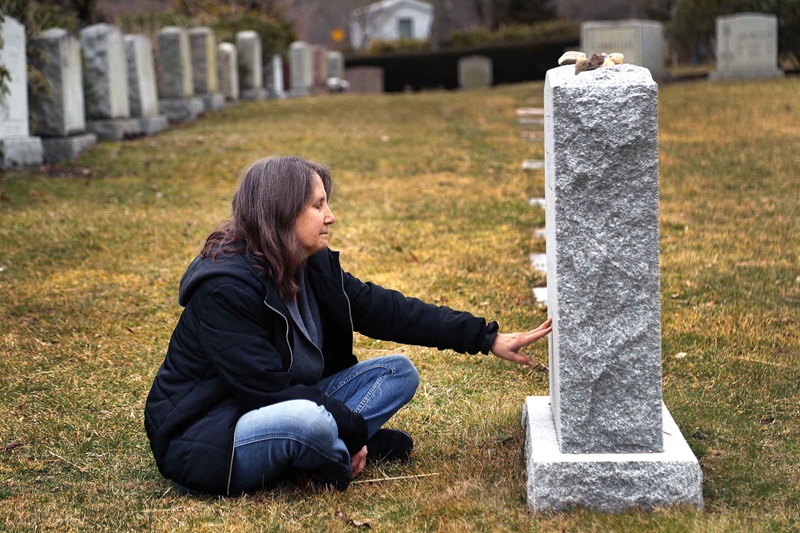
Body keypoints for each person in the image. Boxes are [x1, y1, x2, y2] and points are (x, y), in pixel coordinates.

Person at [144, 156, 552, 496]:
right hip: (214, 433)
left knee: (398, 372)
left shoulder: (310, 264)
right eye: (318, 205)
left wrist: (485, 337)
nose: (330, 217)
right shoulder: (225, 289)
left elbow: (386, 310)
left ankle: (318, 454)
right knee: (310, 421)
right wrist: (354, 429)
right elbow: (266, 390)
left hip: (282, 405)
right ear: (284, 212)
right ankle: (328, 452)